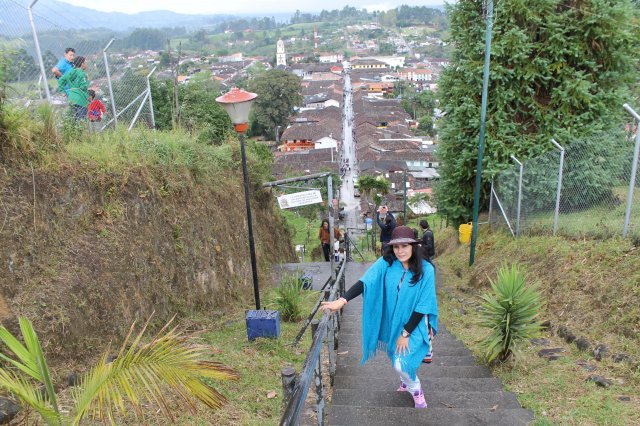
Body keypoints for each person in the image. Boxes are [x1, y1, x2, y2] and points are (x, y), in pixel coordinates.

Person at [322, 226, 438, 409]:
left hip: (415, 324)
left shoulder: (426, 270)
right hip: (393, 320)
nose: (400, 251)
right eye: (396, 247)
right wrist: (342, 300)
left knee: (402, 363)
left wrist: (405, 333)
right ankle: (405, 381)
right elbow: (366, 281)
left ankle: (415, 388)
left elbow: (424, 305)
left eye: (405, 246)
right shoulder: (388, 262)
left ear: (414, 246)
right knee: (396, 355)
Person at [58, 56, 88, 122]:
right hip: (81, 99)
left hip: (71, 98)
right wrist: (87, 81)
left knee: (73, 120)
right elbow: (83, 87)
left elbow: (61, 81)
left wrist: (63, 92)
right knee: (82, 121)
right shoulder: (82, 74)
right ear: (82, 64)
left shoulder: (69, 73)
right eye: (85, 63)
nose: (86, 64)